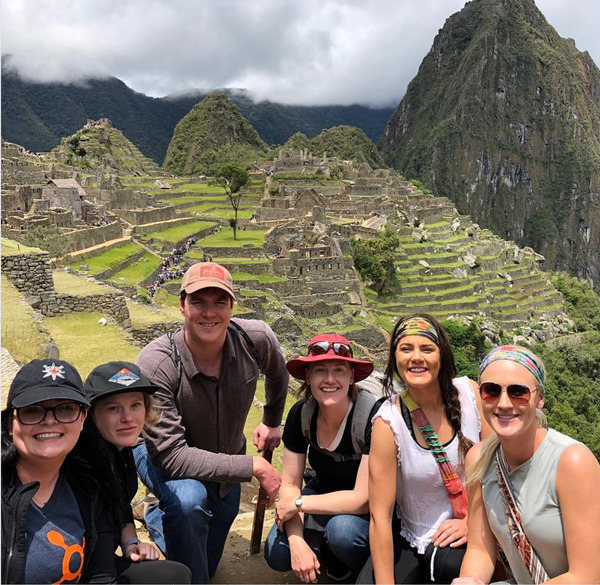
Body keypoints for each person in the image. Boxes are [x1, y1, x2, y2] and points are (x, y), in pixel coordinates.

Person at [133, 261, 289, 583]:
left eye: (219, 301)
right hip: (162, 457)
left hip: (224, 459)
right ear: (181, 305)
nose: (209, 312)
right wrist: (255, 467)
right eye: (198, 301)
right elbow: (172, 456)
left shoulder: (255, 339)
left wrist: (272, 420)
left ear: (232, 306)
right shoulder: (158, 362)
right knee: (190, 503)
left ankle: (155, 517)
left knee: (209, 562)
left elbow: (279, 372)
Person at [359, 313, 492, 584]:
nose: (416, 357)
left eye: (427, 349)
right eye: (406, 349)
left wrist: (472, 524)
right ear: (395, 358)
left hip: (478, 525)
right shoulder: (388, 422)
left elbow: (497, 471)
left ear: (441, 356)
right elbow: (380, 515)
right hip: (414, 535)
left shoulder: (470, 394)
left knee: (449, 565)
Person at [453, 346, 600, 584]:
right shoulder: (479, 459)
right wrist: (470, 580)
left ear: (540, 398)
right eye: (491, 391)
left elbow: (586, 577)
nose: (503, 403)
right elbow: (480, 550)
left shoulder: (572, 462)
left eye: (518, 392)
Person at [264, 334, 379, 584]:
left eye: (338, 370)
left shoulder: (372, 418)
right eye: (319, 371)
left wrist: (297, 505)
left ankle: (359, 569)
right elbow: (290, 484)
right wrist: (296, 542)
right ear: (307, 377)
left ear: (351, 377)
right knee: (278, 552)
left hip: (368, 508)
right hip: (322, 493)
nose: (329, 379)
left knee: (343, 533)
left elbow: (361, 500)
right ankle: (321, 554)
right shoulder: (302, 415)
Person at [74, 361, 192, 584]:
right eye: (113, 408)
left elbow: (121, 505)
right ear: (90, 414)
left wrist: (130, 543)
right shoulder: (88, 467)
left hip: (100, 558)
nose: (127, 417)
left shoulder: (119, 450)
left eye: (135, 405)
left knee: (178, 574)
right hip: (82, 568)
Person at [1, 359, 116, 584]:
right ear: (10, 423)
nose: (50, 421)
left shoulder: (88, 487)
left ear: (83, 419)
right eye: (33, 411)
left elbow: (100, 576)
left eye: (65, 409)